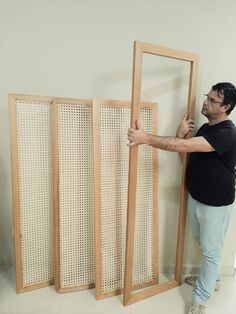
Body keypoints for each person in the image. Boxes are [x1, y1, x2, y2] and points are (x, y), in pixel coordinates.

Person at [127, 82, 236, 314]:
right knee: (203, 245)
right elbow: (186, 155)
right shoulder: (206, 129)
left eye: (212, 100)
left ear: (226, 106)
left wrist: (145, 138)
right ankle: (213, 280)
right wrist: (178, 135)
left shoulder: (228, 133)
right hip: (196, 197)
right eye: (207, 96)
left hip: (216, 203)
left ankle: (200, 299)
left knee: (211, 251)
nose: (205, 102)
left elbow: (185, 145)